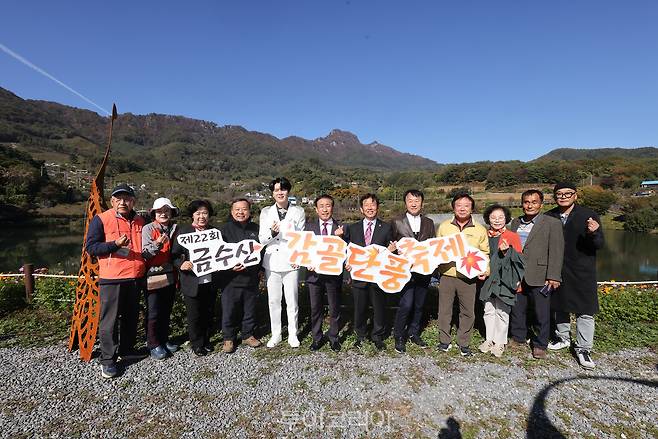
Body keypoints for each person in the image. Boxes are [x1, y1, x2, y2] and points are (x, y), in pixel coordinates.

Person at [85, 183, 146, 379]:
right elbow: (92, 248)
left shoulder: (140, 220)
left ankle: (127, 349)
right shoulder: (101, 219)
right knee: (109, 321)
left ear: (133, 201)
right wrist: (114, 245)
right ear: (112, 201)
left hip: (135, 277)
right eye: (118, 199)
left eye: (127, 198)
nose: (123, 202)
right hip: (112, 278)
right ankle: (108, 360)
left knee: (131, 317)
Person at [546, 182, 604, 369]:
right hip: (557, 268)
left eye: (567, 193)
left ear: (575, 196)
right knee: (559, 304)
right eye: (559, 194)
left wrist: (593, 233)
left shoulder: (588, 215)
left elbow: (599, 244)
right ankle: (562, 337)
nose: (563, 197)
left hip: (582, 269)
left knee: (585, 309)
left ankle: (583, 347)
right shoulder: (549, 216)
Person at [509, 189, 564, 360]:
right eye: (526, 202)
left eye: (534, 202)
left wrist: (554, 275)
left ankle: (540, 344)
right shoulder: (516, 222)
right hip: (517, 273)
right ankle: (518, 337)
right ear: (522, 203)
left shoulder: (551, 223)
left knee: (541, 311)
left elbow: (557, 251)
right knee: (518, 307)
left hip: (540, 273)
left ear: (541, 204)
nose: (530, 205)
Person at [435, 193, 489, 357]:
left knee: (467, 311)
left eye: (466, 205)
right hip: (447, 275)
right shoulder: (444, 226)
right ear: (453, 207)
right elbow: (437, 249)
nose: (462, 208)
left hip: (468, 277)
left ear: (472, 208)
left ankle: (463, 343)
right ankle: (444, 341)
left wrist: (485, 270)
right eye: (459, 205)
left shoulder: (479, 229)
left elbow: (485, 253)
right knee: (444, 310)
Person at [259, 177, 306, 348]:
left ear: (288, 191)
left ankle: (293, 334)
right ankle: (276, 334)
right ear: (272, 193)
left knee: (292, 299)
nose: (280, 192)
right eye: (276, 190)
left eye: (283, 189)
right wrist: (271, 232)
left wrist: (298, 257)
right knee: (274, 300)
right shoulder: (265, 212)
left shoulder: (298, 211)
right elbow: (261, 239)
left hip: (291, 261)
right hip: (271, 261)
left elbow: (301, 238)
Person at [171, 200, 221, 357]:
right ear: (192, 215)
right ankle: (197, 344)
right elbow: (173, 255)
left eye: (205, 213)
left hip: (210, 279)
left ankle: (206, 340)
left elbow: (222, 252)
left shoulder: (215, 232)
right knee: (194, 315)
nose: (201, 216)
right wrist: (181, 264)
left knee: (208, 312)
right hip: (192, 281)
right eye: (198, 213)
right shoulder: (184, 232)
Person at [344, 193, 393, 351]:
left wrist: (391, 251)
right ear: (361, 209)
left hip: (378, 276)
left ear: (377, 208)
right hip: (359, 276)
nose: (370, 208)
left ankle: (378, 336)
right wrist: (348, 264)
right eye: (367, 205)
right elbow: (346, 251)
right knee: (360, 307)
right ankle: (360, 335)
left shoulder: (386, 227)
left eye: (373, 205)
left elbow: (390, 252)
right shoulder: (352, 228)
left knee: (379, 307)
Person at [390, 189, 435, 353]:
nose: (414, 203)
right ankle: (399, 335)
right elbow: (391, 246)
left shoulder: (429, 223)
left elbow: (433, 245)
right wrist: (395, 252)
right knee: (406, 304)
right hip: (405, 270)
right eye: (410, 200)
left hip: (423, 269)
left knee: (419, 304)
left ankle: (414, 332)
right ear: (405, 203)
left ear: (422, 203)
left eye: (417, 201)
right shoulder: (396, 222)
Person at [478, 204, 524, 358]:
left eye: (500, 217)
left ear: (506, 219)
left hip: (505, 280)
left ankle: (500, 342)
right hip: (488, 279)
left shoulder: (512, 236)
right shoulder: (485, 235)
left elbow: (519, 261)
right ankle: (489, 339)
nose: (497, 220)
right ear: (488, 219)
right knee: (488, 310)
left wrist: (507, 251)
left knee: (503, 312)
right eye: (493, 217)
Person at [219, 198, 263, 354]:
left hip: (251, 277)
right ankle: (228, 338)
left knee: (249, 308)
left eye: (244, 209)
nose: (240, 212)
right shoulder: (223, 230)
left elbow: (262, 251)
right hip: (230, 278)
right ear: (232, 212)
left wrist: (261, 269)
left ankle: (248, 335)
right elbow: (217, 254)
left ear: (249, 211)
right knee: (229, 309)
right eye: (237, 209)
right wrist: (229, 266)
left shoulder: (256, 229)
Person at [304, 194, 344, 352]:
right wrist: (307, 262)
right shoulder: (308, 228)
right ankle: (317, 337)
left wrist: (341, 238)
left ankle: (334, 337)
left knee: (335, 308)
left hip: (333, 275)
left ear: (332, 208)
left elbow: (347, 251)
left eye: (328, 205)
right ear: (316, 209)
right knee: (315, 308)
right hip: (314, 275)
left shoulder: (341, 227)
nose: (325, 209)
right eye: (321, 206)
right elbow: (304, 250)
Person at [141, 197, 180, 360]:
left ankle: (164, 339)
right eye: (160, 211)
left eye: (167, 210)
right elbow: (145, 253)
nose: (164, 214)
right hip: (153, 275)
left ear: (171, 212)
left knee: (166, 309)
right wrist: (157, 243)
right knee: (154, 311)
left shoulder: (175, 228)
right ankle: (153, 343)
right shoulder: (148, 229)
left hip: (170, 275)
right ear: (154, 213)